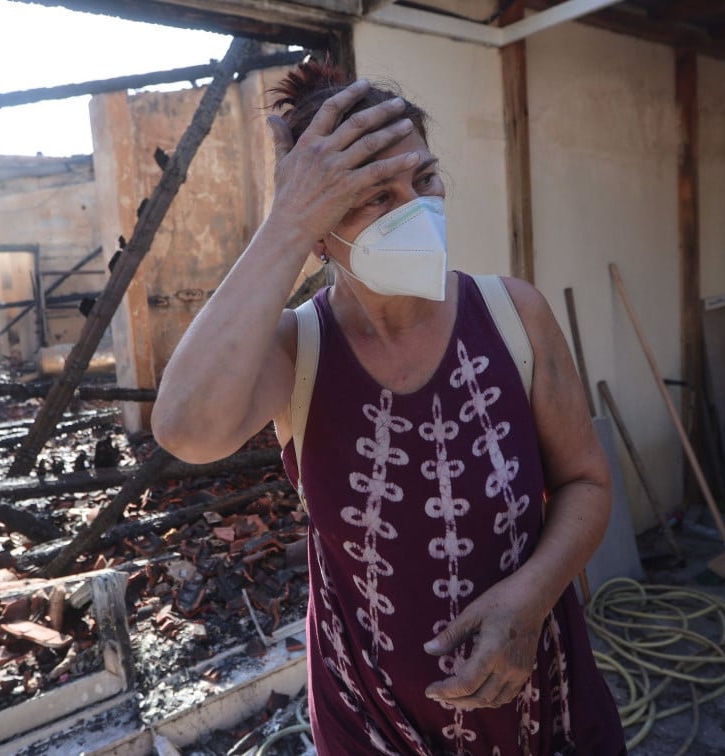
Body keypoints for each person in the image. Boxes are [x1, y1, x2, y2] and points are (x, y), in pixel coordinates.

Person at [151, 60, 625, 755]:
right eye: (376, 195)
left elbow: (587, 481)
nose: (415, 210)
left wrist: (531, 599)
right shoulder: (298, 349)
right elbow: (184, 431)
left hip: (539, 694)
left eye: (423, 180)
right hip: (370, 718)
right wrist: (284, 226)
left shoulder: (513, 315)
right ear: (319, 231)